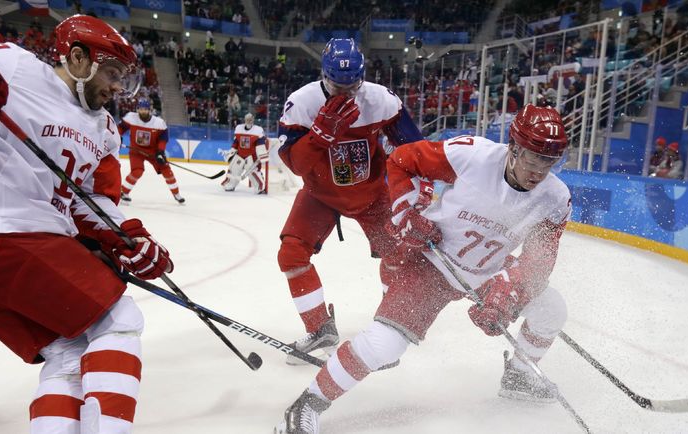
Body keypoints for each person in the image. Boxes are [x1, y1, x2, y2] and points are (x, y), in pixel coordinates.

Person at [275, 104, 573, 434]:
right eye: (534, 157)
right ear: (514, 148)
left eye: (549, 161)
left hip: (488, 270)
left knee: (552, 309)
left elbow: (540, 260)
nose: (540, 170)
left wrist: (511, 287)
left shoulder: (556, 198)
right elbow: (403, 160)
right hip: (431, 262)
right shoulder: (472, 156)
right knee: (384, 345)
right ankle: (307, 404)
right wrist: (406, 210)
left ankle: (519, 376)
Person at [0, 14, 173, 433]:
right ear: (77, 58)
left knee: (69, 352)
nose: (118, 87)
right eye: (112, 73)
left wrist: (129, 238)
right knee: (119, 320)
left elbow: (92, 199)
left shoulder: (105, 128)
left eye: (123, 78)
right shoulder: (14, 66)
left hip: (23, 245)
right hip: (9, 231)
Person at [276, 38, 422, 364]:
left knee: (399, 257)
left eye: (352, 87)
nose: (344, 93)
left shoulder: (381, 100)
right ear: (323, 76)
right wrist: (319, 135)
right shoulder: (302, 103)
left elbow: (415, 149)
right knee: (291, 254)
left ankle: (389, 334)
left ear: (363, 77)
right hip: (321, 195)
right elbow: (295, 165)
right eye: (335, 86)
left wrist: (418, 189)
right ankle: (320, 329)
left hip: (372, 195)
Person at [119, 99, 185, 204]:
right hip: (136, 151)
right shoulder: (131, 118)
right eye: (141, 109)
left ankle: (176, 194)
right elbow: (120, 128)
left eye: (145, 109)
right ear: (137, 109)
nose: (143, 111)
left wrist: (160, 152)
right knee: (137, 171)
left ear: (149, 110)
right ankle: (123, 192)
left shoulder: (159, 123)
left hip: (153, 152)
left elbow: (163, 138)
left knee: (166, 170)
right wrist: (118, 137)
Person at [222, 113, 268, 193]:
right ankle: (230, 184)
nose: (249, 121)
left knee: (252, 171)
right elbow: (236, 142)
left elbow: (260, 144)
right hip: (240, 154)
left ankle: (259, 187)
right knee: (234, 169)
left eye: (250, 119)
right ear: (244, 120)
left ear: (253, 120)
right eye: (247, 119)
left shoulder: (258, 130)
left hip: (251, 156)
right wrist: (231, 151)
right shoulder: (239, 128)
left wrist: (262, 155)